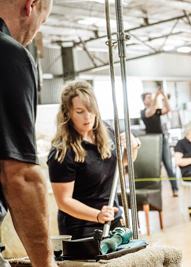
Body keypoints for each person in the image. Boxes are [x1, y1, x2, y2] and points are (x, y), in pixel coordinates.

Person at [0, 0, 99, 267]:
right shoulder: (8, 53)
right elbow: (20, 175)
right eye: (40, 23)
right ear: (32, 3)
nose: (33, 33)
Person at [48, 81, 140, 240]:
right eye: (79, 111)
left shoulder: (107, 131)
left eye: (91, 110)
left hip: (112, 216)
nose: (88, 116)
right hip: (81, 225)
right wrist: (97, 215)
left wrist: (134, 146)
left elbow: (124, 162)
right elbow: (64, 201)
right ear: (68, 113)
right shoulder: (62, 152)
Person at [140, 87, 178, 196]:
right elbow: (149, 113)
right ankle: (154, 190)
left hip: (162, 140)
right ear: (144, 101)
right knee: (154, 167)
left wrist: (164, 96)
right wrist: (156, 96)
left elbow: (168, 109)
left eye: (151, 97)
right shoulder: (143, 112)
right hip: (151, 142)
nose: (151, 99)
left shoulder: (156, 111)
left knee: (168, 165)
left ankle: (175, 188)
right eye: (149, 98)